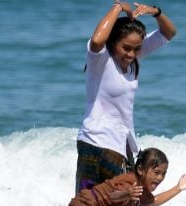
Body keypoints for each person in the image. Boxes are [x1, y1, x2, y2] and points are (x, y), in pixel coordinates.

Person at [74, 1, 177, 195]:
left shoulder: (132, 58)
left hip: (119, 145)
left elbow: (168, 33)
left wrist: (156, 12)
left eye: (137, 48)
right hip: (95, 143)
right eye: (126, 48)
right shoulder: (101, 60)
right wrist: (119, 6)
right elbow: (97, 41)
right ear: (113, 43)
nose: (131, 54)